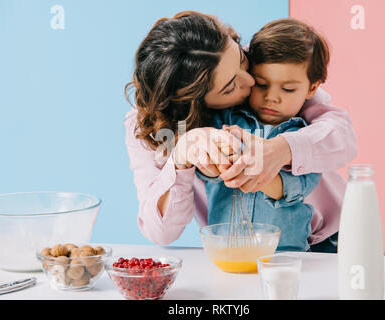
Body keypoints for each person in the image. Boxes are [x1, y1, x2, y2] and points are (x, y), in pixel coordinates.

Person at [124, 11, 357, 252]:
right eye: (229, 87)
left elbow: (343, 137)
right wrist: (180, 157)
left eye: (240, 58)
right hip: (240, 249)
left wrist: (281, 149)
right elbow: (160, 232)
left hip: (330, 239)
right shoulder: (150, 127)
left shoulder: (269, 69)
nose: (251, 81)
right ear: (194, 104)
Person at [196, 18, 333, 251]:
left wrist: (253, 171)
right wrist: (218, 158)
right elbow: (203, 169)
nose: (272, 97)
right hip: (227, 249)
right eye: (261, 84)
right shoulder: (225, 120)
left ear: (312, 88)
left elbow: (292, 189)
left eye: (288, 89)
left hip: (285, 252)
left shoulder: (307, 139)